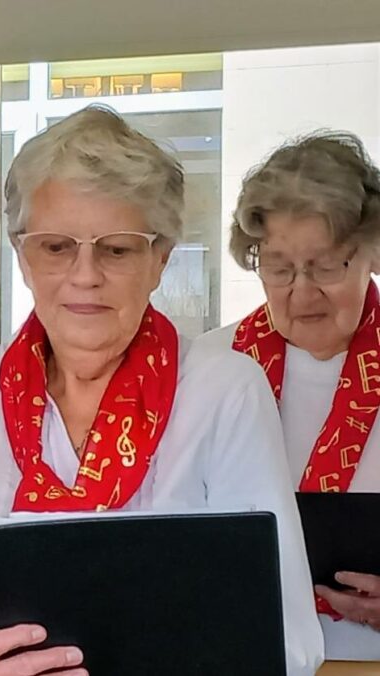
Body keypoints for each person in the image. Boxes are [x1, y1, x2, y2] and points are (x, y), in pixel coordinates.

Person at [0, 106, 324, 676]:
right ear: (22, 256)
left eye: (117, 249)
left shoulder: (224, 392)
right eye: (56, 246)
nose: (85, 275)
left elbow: (289, 638)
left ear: (160, 260)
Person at [196, 132, 380, 660]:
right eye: (278, 267)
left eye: (326, 265)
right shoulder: (208, 368)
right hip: (238, 656)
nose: (302, 291)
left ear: (371, 253)